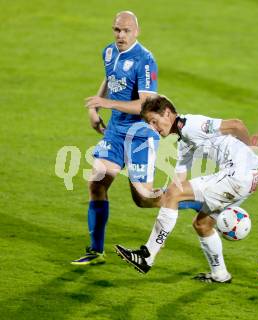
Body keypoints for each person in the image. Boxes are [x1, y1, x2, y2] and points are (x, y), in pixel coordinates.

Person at [114, 94, 258, 283]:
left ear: (167, 114)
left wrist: (251, 149)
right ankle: (220, 274)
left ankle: (147, 256)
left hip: (237, 176)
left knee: (174, 195)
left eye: (154, 121)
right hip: (248, 179)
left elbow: (236, 125)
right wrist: (159, 209)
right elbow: (178, 182)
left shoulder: (192, 125)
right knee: (202, 224)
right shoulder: (184, 142)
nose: (153, 128)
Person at [72, 11, 163, 266]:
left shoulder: (145, 60)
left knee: (143, 198)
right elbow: (110, 76)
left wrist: (105, 102)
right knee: (96, 182)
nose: (120, 35)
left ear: (137, 31)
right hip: (115, 131)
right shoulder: (109, 52)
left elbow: (145, 105)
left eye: (126, 31)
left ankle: (184, 199)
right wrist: (94, 107)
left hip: (140, 135)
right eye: (116, 30)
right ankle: (96, 250)